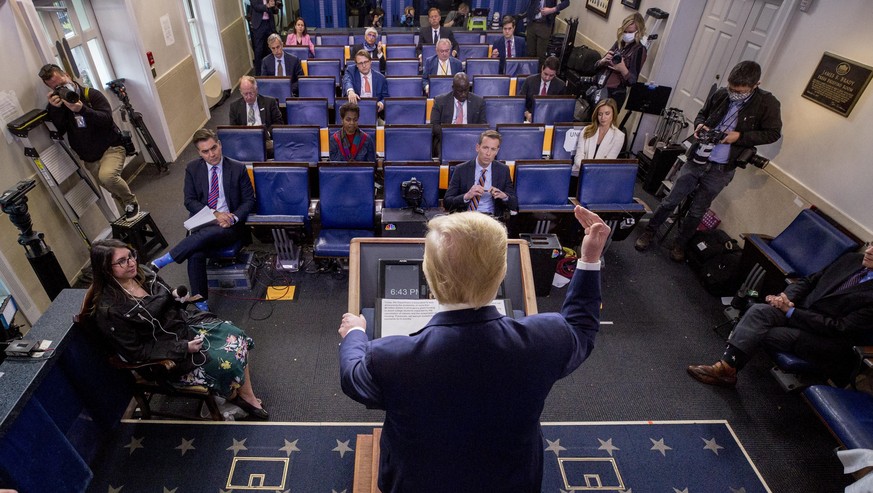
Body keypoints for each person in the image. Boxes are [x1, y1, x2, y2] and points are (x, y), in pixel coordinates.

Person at [337, 206, 611, 492]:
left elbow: (352, 375)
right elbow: (581, 328)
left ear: (429, 273)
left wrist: (355, 332)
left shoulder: (387, 358)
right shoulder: (547, 338)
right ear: (502, 272)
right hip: (512, 482)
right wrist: (589, 259)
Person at [84, 239, 268, 420]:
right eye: (121, 261)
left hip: (183, 326)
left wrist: (176, 297)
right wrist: (183, 348)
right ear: (106, 269)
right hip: (166, 356)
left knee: (235, 334)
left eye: (131, 256)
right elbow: (137, 352)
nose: (131, 263)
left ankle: (244, 395)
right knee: (224, 359)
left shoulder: (144, 273)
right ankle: (238, 397)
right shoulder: (110, 311)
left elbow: (167, 295)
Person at [634, 60, 782, 262]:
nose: (734, 93)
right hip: (698, 158)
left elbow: (772, 134)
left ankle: (680, 244)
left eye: (740, 91)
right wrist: (700, 124)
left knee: (697, 211)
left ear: (756, 85)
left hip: (721, 168)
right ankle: (650, 231)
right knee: (671, 200)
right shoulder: (722, 93)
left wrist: (739, 136)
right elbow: (703, 113)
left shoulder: (767, 103)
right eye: (732, 88)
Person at [688, 244, 873, 388]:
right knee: (759, 311)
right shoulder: (851, 259)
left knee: (763, 333)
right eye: (871, 244)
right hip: (799, 312)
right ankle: (726, 369)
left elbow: (840, 328)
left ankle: (726, 370)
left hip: (823, 338)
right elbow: (808, 281)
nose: (870, 251)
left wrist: (791, 311)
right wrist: (785, 298)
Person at [150, 129, 255, 312]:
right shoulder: (192, 168)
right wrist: (215, 214)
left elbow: (249, 201)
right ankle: (201, 303)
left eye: (214, 148)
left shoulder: (237, 168)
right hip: (204, 221)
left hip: (229, 226)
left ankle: (166, 258)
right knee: (195, 253)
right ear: (199, 153)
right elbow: (189, 201)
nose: (211, 154)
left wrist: (232, 218)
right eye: (205, 151)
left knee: (212, 233)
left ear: (220, 145)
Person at [39, 64, 139, 219]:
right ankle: (130, 212)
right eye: (56, 88)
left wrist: (82, 110)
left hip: (111, 148)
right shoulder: (59, 105)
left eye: (62, 83)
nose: (61, 88)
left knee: (108, 177)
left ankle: (131, 201)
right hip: (90, 158)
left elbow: (106, 120)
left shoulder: (91, 95)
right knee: (109, 187)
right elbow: (59, 131)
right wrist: (55, 109)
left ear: (67, 75)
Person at [444, 129, 516, 218]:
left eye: (493, 149)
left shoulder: (503, 170)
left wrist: (504, 196)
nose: (488, 153)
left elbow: (514, 204)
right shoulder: (461, 169)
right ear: (478, 147)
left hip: (491, 219)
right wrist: (467, 196)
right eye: (485, 148)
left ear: (497, 151)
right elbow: (447, 203)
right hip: (466, 218)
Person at [589, 13, 648, 112]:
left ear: (638, 32)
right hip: (600, 86)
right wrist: (603, 61)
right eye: (625, 31)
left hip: (614, 93)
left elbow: (632, 81)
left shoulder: (639, 50)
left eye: (630, 32)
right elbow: (596, 66)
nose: (627, 34)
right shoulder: (619, 43)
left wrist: (622, 69)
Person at [430, 73, 487, 156]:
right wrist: (451, 136)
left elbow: (483, 126)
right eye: (460, 91)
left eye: (466, 90)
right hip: (446, 139)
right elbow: (434, 125)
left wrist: (469, 138)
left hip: (471, 140)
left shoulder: (479, 102)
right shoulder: (440, 101)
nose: (463, 94)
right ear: (453, 88)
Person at [573, 98, 625, 170]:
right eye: (600, 114)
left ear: (613, 114)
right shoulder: (586, 130)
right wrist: (586, 169)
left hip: (600, 174)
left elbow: (608, 162)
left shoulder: (619, 136)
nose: (603, 118)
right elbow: (579, 155)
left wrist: (592, 171)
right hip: (580, 171)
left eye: (607, 113)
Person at [518, 55, 567, 122]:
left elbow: (561, 108)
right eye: (545, 74)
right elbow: (520, 102)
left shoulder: (560, 85)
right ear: (542, 68)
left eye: (551, 76)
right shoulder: (529, 81)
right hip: (529, 118)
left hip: (550, 119)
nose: (547, 78)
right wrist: (527, 114)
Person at [525, 0, 569, 65]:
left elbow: (566, 2)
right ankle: (529, 74)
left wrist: (552, 10)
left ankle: (540, 74)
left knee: (540, 56)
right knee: (530, 53)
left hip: (545, 24)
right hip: (532, 22)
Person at [249, 0, 278, 76]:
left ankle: (273, 72)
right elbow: (256, 6)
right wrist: (267, 6)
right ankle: (258, 75)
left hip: (269, 23)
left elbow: (274, 7)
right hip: (259, 25)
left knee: (272, 47)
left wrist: (274, 5)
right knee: (259, 50)